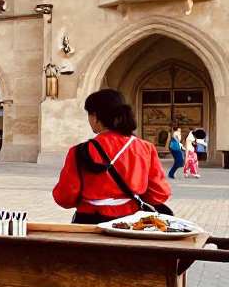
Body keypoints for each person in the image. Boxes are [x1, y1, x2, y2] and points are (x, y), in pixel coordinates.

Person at [53, 89, 171, 223]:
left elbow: (65, 196)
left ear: (95, 116)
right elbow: (159, 193)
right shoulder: (146, 148)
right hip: (131, 221)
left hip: (89, 219)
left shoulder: (79, 151)